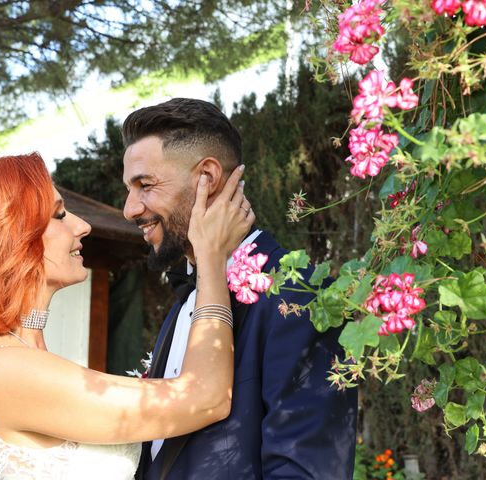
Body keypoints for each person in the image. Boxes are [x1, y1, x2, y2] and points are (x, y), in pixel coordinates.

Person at [0, 152, 254, 480]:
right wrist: (211, 257)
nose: (83, 226)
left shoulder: (11, 359)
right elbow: (205, 398)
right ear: (9, 239)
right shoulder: (2, 370)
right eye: (59, 215)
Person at [122, 98, 358, 480]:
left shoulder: (298, 297)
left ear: (207, 177)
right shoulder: (185, 299)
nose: (130, 209)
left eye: (145, 185)